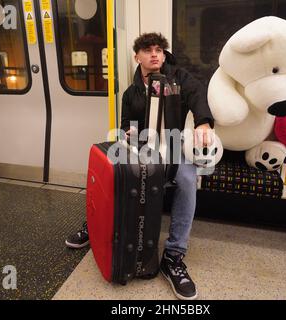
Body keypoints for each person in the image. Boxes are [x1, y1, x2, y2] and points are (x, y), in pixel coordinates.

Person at [65, 32, 214, 300]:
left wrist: (203, 121)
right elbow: (125, 127)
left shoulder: (178, 78)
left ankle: (173, 256)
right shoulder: (131, 92)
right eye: (147, 50)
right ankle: (96, 226)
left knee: (188, 180)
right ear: (138, 56)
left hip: (175, 146)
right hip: (145, 148)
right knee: (113, 170)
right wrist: (128, 135)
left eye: (158, 49)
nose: (154, 54)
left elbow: (197, 94)